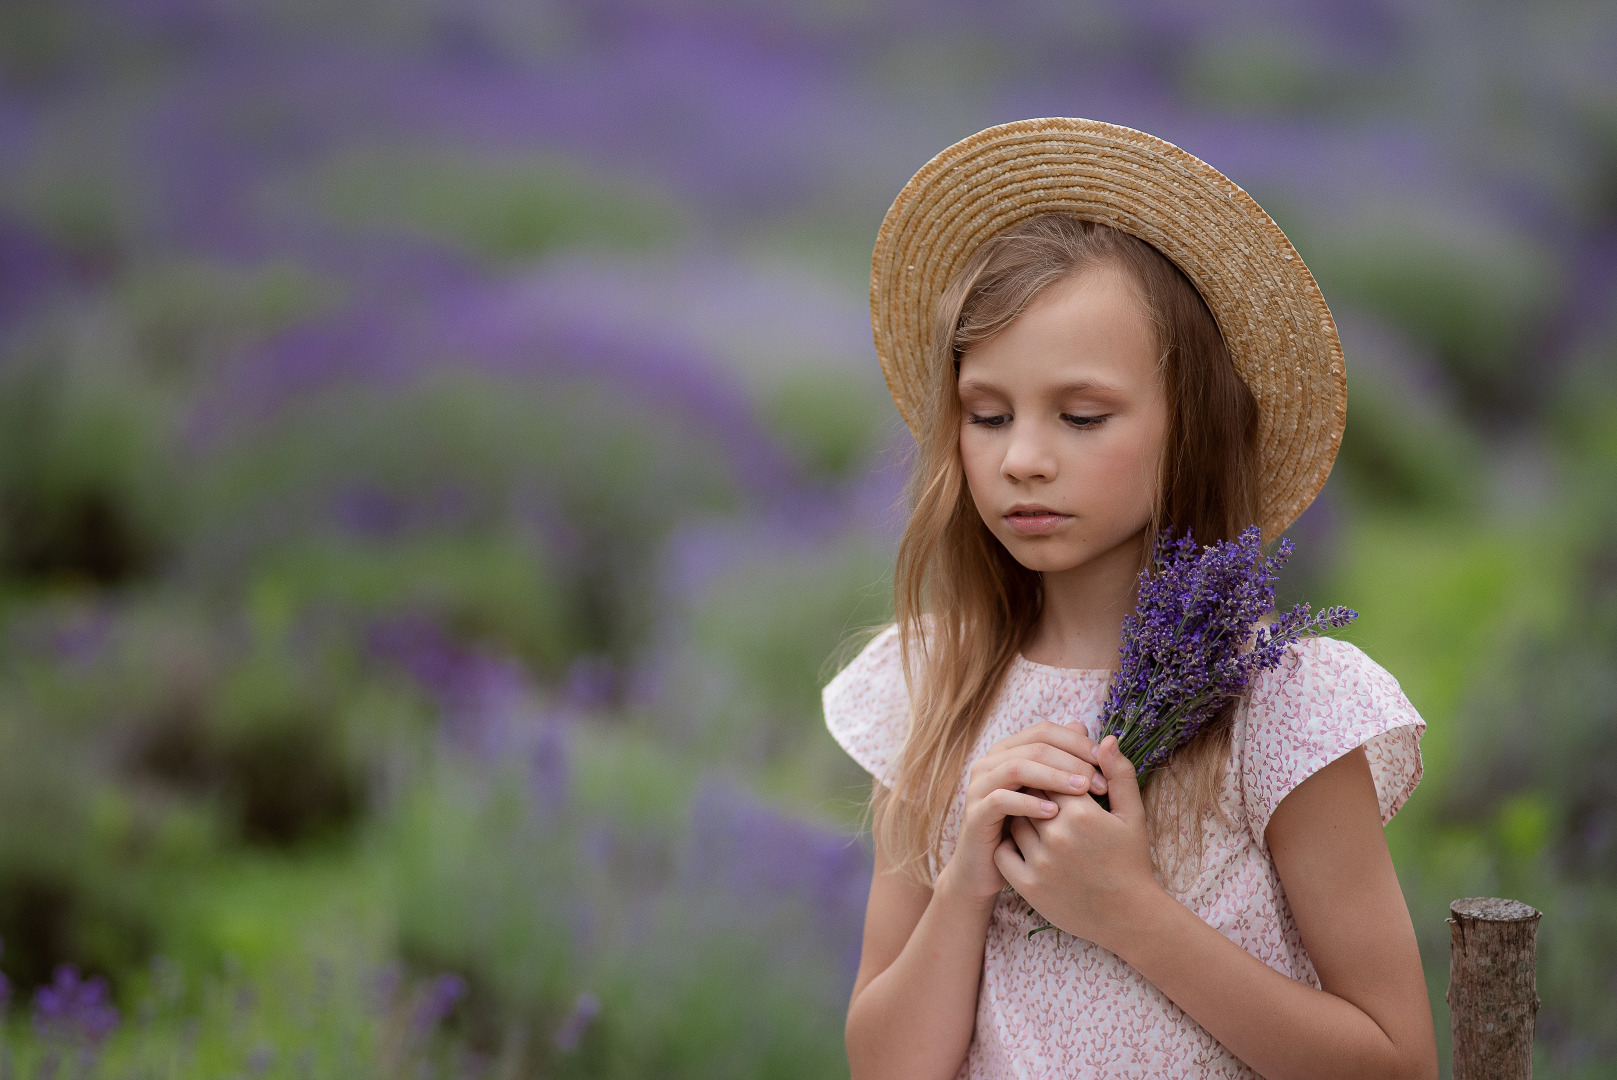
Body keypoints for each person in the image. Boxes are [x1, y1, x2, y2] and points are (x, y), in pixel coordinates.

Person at [822, 119, 1439, 1080]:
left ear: (1192, 427)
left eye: (1080, 416)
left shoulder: (1276, 701)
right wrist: (965, 886)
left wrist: (1129, 912)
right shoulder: (933, 690)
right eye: (986, 415)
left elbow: (1392, 1064)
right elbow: (885, 1065)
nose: (1022, 457)